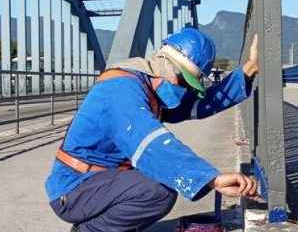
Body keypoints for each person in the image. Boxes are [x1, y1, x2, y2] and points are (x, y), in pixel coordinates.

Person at [45, 27, 259, 232]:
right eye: (183, 81)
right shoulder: (121, 89)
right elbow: (151, 143)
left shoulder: (147, 86)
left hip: (98, 182)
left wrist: (248, 70)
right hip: (74, 188)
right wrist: (212, 179)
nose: (184, 89)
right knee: (157, 191)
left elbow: (197, 105)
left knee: (157, 184)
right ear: (165, 62)